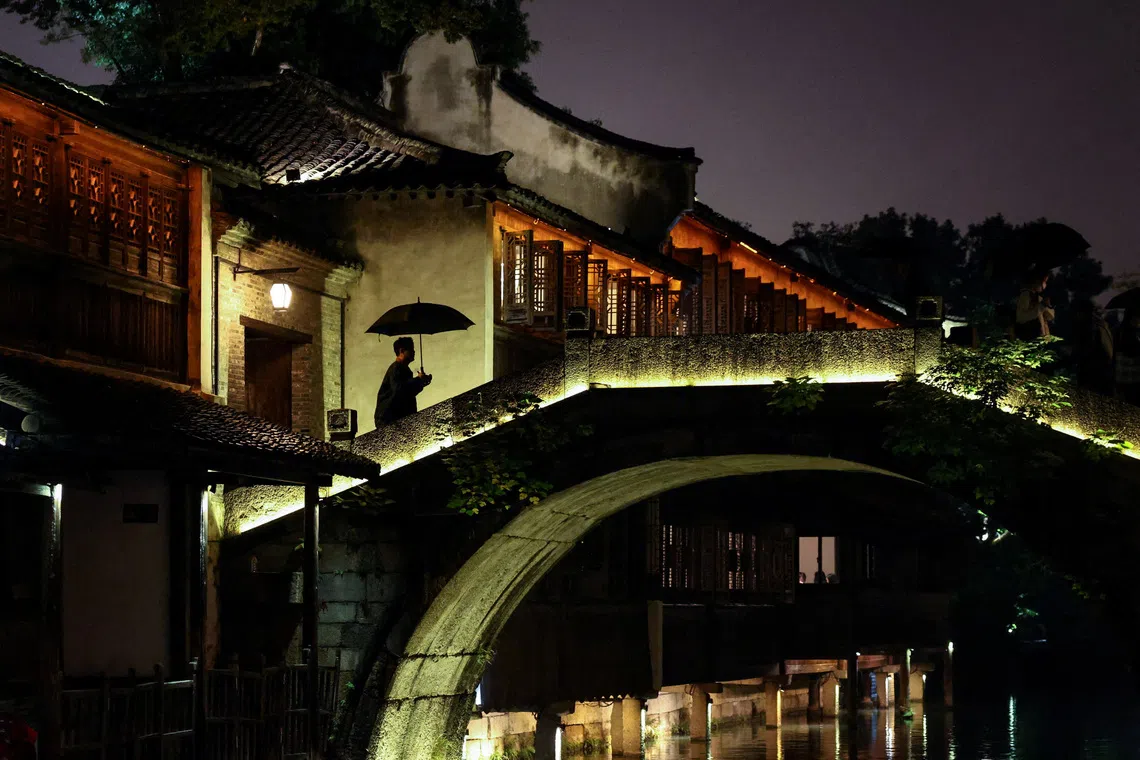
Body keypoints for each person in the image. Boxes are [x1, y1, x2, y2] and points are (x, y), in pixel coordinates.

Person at [374, 336, 432, 426]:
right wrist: (418, 380)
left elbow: (407, 391)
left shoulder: (403, 369)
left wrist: (421, 382)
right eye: (411, 349)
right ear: (401, 351)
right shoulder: (396, 368)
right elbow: (399, 389)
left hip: (396, 416)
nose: (414, 352)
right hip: (389, 417)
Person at [1069, 300, 1114, 394]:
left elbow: (1086, 348)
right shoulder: (1100, 324)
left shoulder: (1090, 327)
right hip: (1103, 368)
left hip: (1093, 369)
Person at [1014, 271, 1055, 340]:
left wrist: (1047, 305)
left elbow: (1050, 317)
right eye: (1044, 281)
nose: (1045, 285)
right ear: (1037, 281)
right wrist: (1042, 306)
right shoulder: (1025, 295)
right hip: (1030, 338)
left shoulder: (1038, 297)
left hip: (1041, 339)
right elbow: (1021, 317)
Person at [1115, 308, 1140, 405]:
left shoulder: (1120, 330)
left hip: (1123, 376)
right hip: (1131, 376)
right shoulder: (1128, 333)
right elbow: (1132, 352)